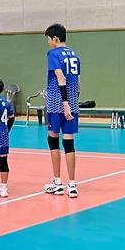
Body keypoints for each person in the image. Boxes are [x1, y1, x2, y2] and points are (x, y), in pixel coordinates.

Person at [44, 23, 81, 198]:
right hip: (72, 103)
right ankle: (72, 185)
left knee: (53, 140)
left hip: (56, 103)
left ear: (55, 38)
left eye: (49, 39)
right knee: (69, 142)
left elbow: (60, 77)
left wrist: (64, 102)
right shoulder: (75, 55)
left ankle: (58, 183)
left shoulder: (53, 54)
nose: (48, 43)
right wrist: (72, 102)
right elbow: (78, 83)